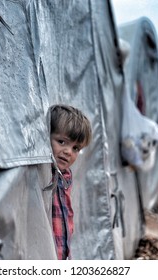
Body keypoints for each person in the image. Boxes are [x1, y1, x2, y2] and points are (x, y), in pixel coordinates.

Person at [48, 104, 92, 260]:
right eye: (61, 142)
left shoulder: (66, 176)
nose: (68, 152)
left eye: (76, 148)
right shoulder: (43, 174)